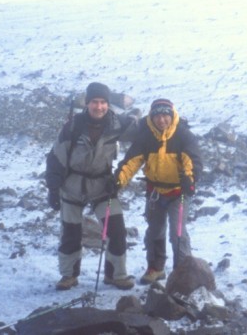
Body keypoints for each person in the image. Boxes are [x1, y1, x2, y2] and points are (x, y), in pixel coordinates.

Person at [45, 81, 140, 291]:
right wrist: (53, 189)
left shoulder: (117, 124)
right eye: (95, 102)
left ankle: (115, 275)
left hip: (103, 186)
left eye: (103, 102)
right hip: (71, 186)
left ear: (108, 104)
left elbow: (142, 134)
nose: (99, 107)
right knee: (70, 232)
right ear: (87, 104)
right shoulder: (72, 126)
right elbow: (56, 158)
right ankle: (68, 276)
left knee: (116, 230)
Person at [115, 98, 203, 284]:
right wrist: (117, 182)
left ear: (171, 115)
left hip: (179, 193)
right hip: (155, 192)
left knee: (177, 233)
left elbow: (192, 161)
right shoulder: (146, 137)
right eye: (157, 116)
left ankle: (181, 273)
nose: (161, 120)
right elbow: (131, 163)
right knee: (154, 231)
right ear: (152, 118)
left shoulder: (183, 135)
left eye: (165, 115)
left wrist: (190, 178)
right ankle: (155, 268)